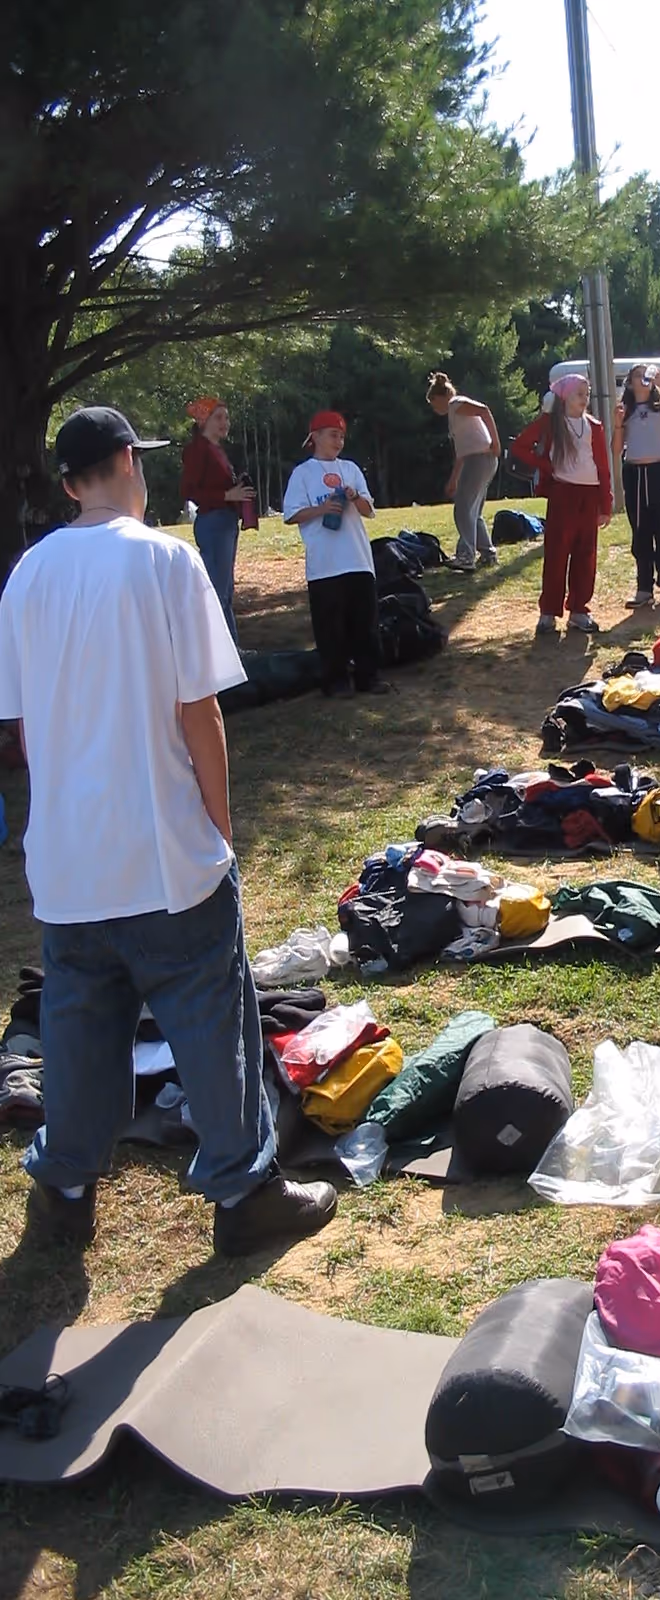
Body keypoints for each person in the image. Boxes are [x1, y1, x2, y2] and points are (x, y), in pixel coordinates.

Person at [0, 406, 338, 1256]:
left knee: (79, 1025)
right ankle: (244, 1190)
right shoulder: (163, 559)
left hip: (69, 859)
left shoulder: (26, 577)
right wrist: (219, 828)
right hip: (161, 850)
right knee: (211, 1017)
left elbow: (29, 731)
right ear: (123, 464)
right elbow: (201, 712)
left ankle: (66, 1185)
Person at [282, 410, 389, 697]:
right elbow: (291, 515)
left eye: (342, 436)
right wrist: (322, 509)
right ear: (314, 437)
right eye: (333, 435)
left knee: (364, 622)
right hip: (325, 564)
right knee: (331, 626)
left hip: (357, 559)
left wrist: (354, 497)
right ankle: (336, 681)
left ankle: (369, 677)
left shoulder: (351, 468)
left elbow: (369, 511)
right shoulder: (303, 473)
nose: (339, 441)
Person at [510, 374, 612, 638]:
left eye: (587, 393)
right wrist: (546, 465)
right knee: (557, 553)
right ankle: (548, 613)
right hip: (563, 493)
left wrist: (605, 502)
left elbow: (602, 466)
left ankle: (579, 610)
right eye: (579, 393)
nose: (585, 398)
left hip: (588, 496)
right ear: (564, 396)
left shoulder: (595, 426)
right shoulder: (551, 423)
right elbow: (521, 446)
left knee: (586, 553)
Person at [179, 396, 256, 644]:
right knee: (217, 593)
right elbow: (189, 491)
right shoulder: (197, 450)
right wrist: (226, 494)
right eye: (219, 417)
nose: (226, 423)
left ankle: (232, 651)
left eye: (227, 417)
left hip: (226, 522)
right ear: (204, 422)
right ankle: (222, 656)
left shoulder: (217, 450)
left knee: (225, 593)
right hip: (213, 523)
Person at [613, 363, 660, 608]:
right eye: (638, 375)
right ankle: (644, 587)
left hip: (659, 471)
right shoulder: (626, 410)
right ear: (630, 382)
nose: (644, 379)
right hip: (635, 472)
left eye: (647, 375)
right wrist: (617, 424)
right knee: (640, 530)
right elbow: (615, 450)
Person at [425, 372, 501, 572]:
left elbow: (484, 411)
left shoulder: (456, 404)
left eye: (433, 404)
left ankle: (466, 556)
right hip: (476, 459)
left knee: (463, 509)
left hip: (481, 458)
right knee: (472, 511)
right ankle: (487, 552)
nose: (434, 409)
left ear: (439, 398)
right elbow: (461, 453)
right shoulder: (454, 415)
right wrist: (454, 480)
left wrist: (496, 443)